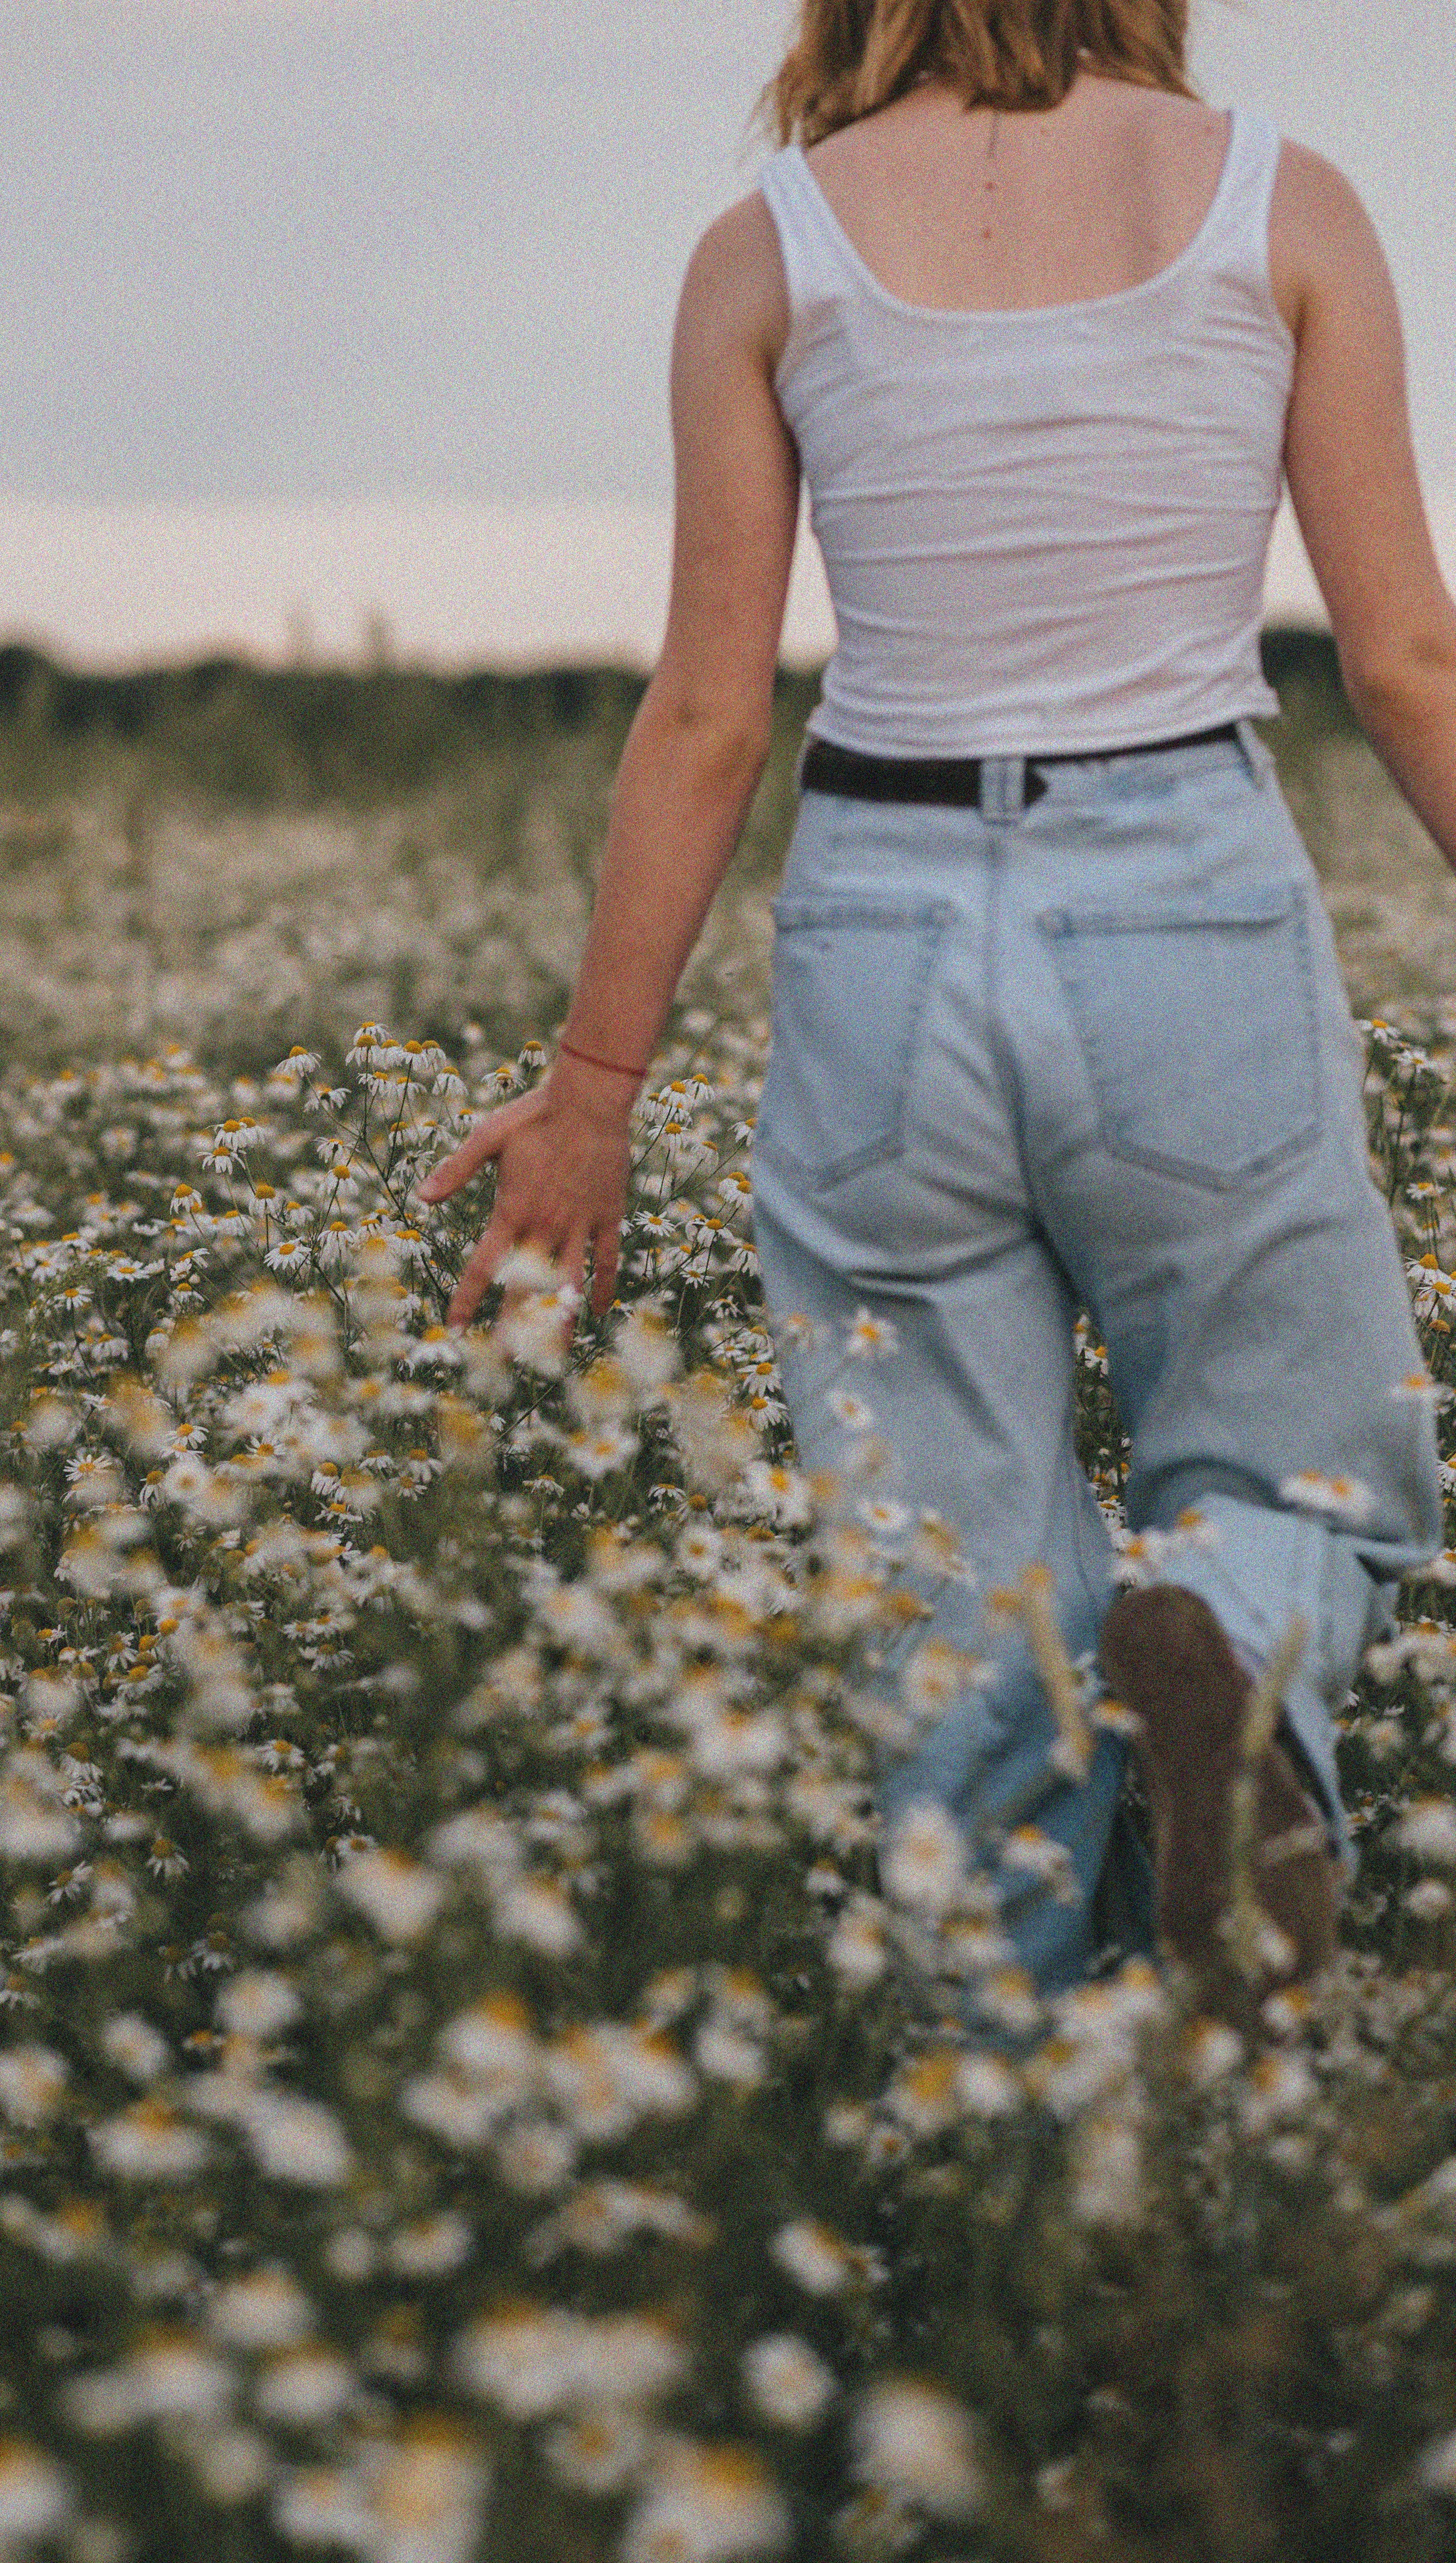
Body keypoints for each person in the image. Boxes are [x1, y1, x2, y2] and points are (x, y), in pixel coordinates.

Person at [417, 0, 1453, 2012]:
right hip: (1186, 913)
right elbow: (1405, 657)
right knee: (1302, 1467)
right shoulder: (1277, 202)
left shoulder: (769, 247)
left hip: (884, 930)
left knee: (952, 1593)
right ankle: (1226, 1627)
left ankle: (1013, 2157)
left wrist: (594, 1091)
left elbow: (710, 710)